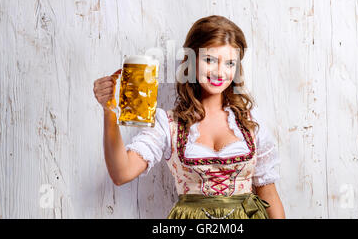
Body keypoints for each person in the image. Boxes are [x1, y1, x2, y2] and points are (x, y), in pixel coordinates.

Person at [93, 15, 285, 219]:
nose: (221, 72)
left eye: (230, 63)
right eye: (210, 60)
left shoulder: (249, 121)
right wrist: (109, 112)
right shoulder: (168, 125)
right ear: (190, 62)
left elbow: (268, 193)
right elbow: (121, 173)